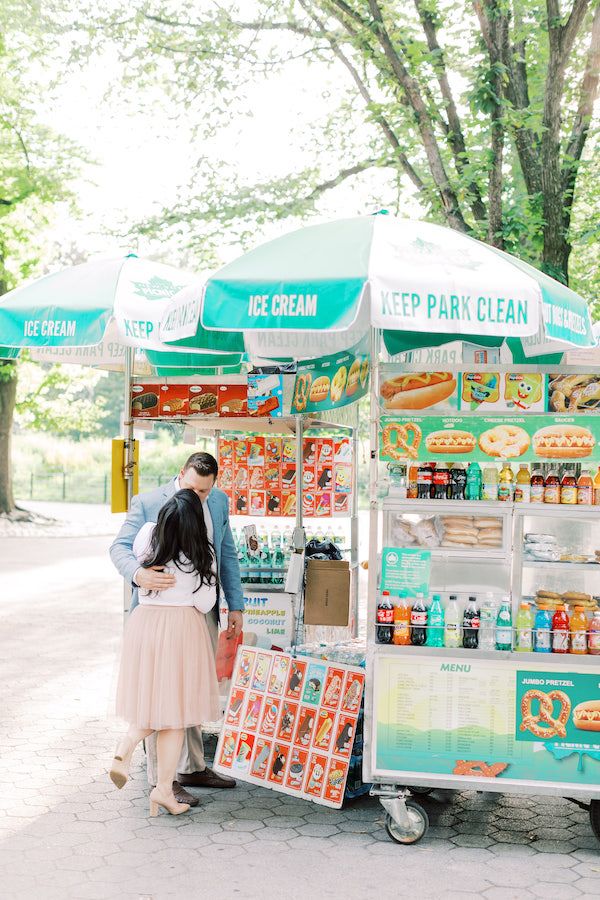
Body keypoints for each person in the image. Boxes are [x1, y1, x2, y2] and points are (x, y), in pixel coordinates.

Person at [110, 451, 244, 805]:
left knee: (190, 690)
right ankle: (162, 780)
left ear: (215, 484)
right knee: (162, 692)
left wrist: (236, 603)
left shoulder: (219, 502)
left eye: (206, 491)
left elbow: (226, 553)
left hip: (199, 613)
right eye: (194, 489)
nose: (200, 497)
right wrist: (138, 575)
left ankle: (193, 766)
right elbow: (120, 548)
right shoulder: (148, 502)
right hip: (162, 611)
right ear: (181, 474)